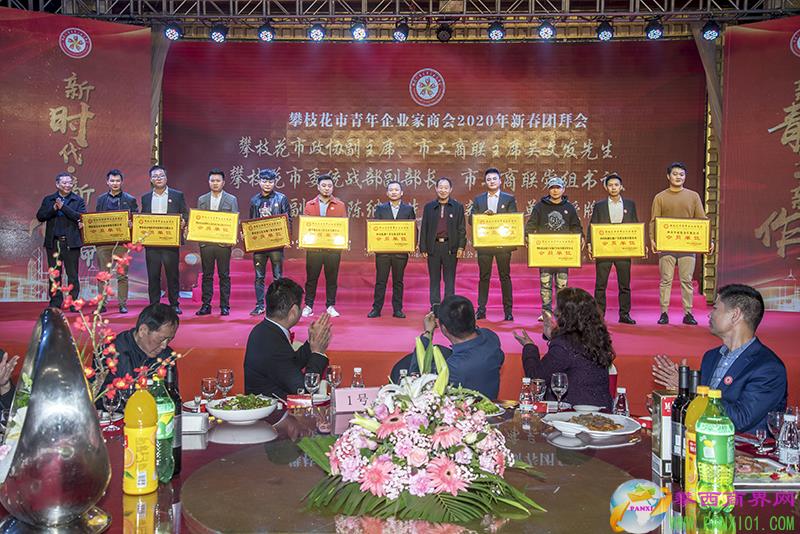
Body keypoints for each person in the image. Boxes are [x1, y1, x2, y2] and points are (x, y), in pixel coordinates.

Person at [652, 284, 786, 433]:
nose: (709, 315)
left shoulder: (768, 368)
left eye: (715, 308)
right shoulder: (711, 357)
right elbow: (699, 410)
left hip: (743, 446)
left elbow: (741, 419)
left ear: (735, 315)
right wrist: (679, 392)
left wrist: (691, 389)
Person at [513, 287, 614, 410]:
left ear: (566, 315)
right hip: (602, 410)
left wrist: (529, 346)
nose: (555, 311)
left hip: (575, 413)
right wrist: (553, 336)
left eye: (558, 309)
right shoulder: (596, 338)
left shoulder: (564, 345)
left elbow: (536, 377)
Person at [244, 278, 332, 399]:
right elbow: (303, 391)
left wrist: (312, 342)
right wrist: (317, 352)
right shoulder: (271, 340)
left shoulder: (265, 330)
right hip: (272, 408)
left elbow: (288, 364)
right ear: (294, 312)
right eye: (301, 306)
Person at [650, 162, 714, 325]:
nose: (678, 177)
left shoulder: (693, 196)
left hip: (688, 246)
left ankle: (688, 313)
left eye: (681, 174)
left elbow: (702, 220)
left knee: (686, 280)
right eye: (675, 174)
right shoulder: (660, 197)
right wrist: (652, 239)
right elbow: (654, 221)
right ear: (668, 176)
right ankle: (664, 313)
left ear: (685, 177)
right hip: (666, 245)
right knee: (666, 280)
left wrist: (708, 240)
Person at [407, 295, 504, 399]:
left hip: (468, 406)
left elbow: (416, 380)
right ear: (473, 318)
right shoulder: (490, 336)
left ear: (444, 329)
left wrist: (428, 333)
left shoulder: (453, 367)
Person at [524, 176, 583, 320]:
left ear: (563, 189)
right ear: (548, 190)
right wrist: (527, 236)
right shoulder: (540, 207)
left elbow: (576, 226)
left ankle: (562, 312)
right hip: (545, 252)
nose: (555, 190)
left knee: (562, 284)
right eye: (552, 188)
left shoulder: (569, 207)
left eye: (558, 187)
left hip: (563, 252)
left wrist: (580, 237)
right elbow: (531, 225)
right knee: (545, 283)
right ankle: (546, 311)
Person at [587, 173, 638, 324]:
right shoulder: (599, 205)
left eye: (616, 185)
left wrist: (638, 245)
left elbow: (635, 226)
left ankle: (624, 314)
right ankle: (599, 315)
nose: (613, 188)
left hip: (623, 250)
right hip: (604, 250)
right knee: (600, 285)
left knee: (624, 285)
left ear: (621, 187)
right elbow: (592, 225)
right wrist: (590, 243)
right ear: (606, 187)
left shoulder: (630, 204)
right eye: (610, 185)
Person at [471, 167, 518, 322]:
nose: (491, 181)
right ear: (485, 182)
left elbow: (513, 220)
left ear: (500, 181)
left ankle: (508, 311)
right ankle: (481, 309)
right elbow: (471, 220)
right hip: (484, 245)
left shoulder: (508, 199)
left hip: (503, 245)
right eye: (488, 179)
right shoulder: (479, 200)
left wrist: (497, 218)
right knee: (484, 277)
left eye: (494, 179)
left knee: (505, 277)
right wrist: (482, 217)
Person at [99, 303, 180, 391]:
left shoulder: (167, 357)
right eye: (161, 339)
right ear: (143, 330)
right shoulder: (113, 352)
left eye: (169, 339)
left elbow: (170, 394)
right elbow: (101, 394)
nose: (164, 346)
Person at [141, 165, 188, 314]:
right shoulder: (146, 198)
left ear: (166, 178)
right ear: (151, 179)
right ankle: (154, 304)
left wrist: (183, 221)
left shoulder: (177, 195)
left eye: (161, 176)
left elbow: (185, 213)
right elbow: (142, 217)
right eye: (155, 176)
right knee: (153, 275)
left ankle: (174, 304)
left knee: (172, 275)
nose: (158, 179)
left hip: (170, 242)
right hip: (152, 243)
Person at [36, 172, 86, 310]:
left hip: (71, 243)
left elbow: (79, 217)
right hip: (53, 243)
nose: (67, 185)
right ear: (57, 184)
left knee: (73, 275)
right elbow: (40, 216)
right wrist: (53, 208)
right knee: (54, 274)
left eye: (70, 183)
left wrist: (63, 207)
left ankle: (73, 302)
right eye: (64, 183)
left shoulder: (78, 200)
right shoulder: (49, 199)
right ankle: (55, 302)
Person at [368, 180, 416, 319]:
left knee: (398, 282)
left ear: (401, 193)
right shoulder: (380, 208)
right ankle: (376, 309)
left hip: (400, 253)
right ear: (387, 193)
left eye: (396, 190)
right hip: (383, 253)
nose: (394, 192)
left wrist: (413, 244)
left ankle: (398, 309)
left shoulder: (408, 209)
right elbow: (375, 229)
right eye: (391, 190)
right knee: (380, 281)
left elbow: (413, 228)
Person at [94, 169, 139, 314]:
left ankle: (122, 304)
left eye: (117, 181)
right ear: (107, 182)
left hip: (122, 243)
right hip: (104, 243)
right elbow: (96, 219)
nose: (115, 183)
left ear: (122, 182)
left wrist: (132, 223)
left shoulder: (130, 199)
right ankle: (102, 303)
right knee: (103, 275)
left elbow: (137, 218)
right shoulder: (101, 199)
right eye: (112, 181)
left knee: (122, 275)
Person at [196, 169, 239, 317]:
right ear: (209, 182)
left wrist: (232, 237)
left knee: (224, 275)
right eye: (212, 180)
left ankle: (224, 306)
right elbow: (198, 220)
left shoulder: (231, 199)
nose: (215, 183)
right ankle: (206, 305)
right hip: (206, 243)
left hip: (223, 244)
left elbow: (234, 220)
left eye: (218, 181)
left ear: (223, 182)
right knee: (207, 275)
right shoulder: (202, 199)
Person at [419, 178, 466, 311]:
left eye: (446, 188)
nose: (443, 190)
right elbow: (424, 227)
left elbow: (461, 228)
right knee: (434, 279)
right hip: (433, 247)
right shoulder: (429, 207)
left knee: (449, 279)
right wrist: (423, 247)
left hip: (450, 247)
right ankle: (435, 306)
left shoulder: (457, 207)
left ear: (450, 189)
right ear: (436, 188)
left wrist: (461, 247)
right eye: (440, 187)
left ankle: (449, 307)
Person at [302, 174, 346, 318]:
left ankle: (330, 306)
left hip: (332, 249)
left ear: (333, 188)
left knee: (332, 279)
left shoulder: (340, 205)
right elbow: (306, 226)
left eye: (329, 186)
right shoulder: (310, 205)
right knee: (311, 278)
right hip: (314, 249)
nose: (327, 188)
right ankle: (308, 306)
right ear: (318, 187)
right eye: (324, 186)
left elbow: (343, 227)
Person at [249, 169, 291, 316]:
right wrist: (247, 236)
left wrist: (286, 238)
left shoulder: (281, 198)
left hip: (276, 245)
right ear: (259, 182)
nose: (267, 184)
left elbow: (288, 219)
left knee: (278, 276)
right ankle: (260, 305)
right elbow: (251, 223)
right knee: (259, 277)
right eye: (265, 181)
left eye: (270, 181)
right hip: (259, 246)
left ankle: (277, 305)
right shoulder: (254, 200)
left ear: (274, 183)